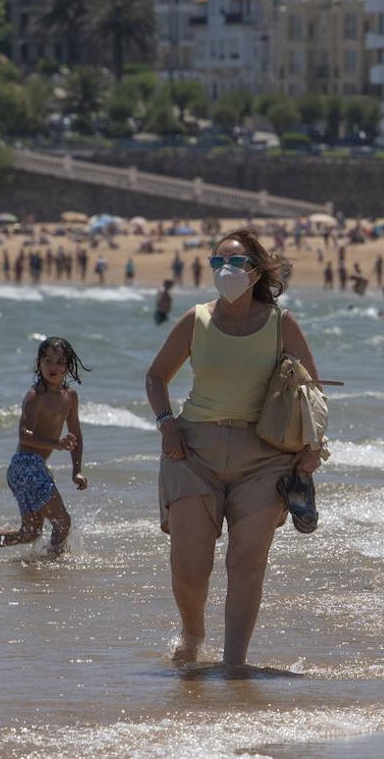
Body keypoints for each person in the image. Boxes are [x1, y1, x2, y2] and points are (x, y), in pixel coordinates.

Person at [145, 229, 325, 668]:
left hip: (263, 456)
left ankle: (234, 664)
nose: (226, 271)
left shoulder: (281, 323)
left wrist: (315, 447)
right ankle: (193, 634)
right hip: (192, 453)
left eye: (237, 262)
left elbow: (312, 388)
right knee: (190, 565)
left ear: (257, 270)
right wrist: (166, 425)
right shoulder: (196, 320)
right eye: (217, 262)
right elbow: (156, 377)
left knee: (246, 563)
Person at [0, 337, 89, 560]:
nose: (53, 367)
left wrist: (77, 470)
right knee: (62, 522)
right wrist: (56, 444)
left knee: (30, 533)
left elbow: (76, 435)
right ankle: (52, 565)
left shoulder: (70, 397)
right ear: (39, 363)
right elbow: (23, 434)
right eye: (48, 360)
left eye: (60, 362)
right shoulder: (35, 396)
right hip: (25, 465)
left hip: (31, 469)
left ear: (68, 366)